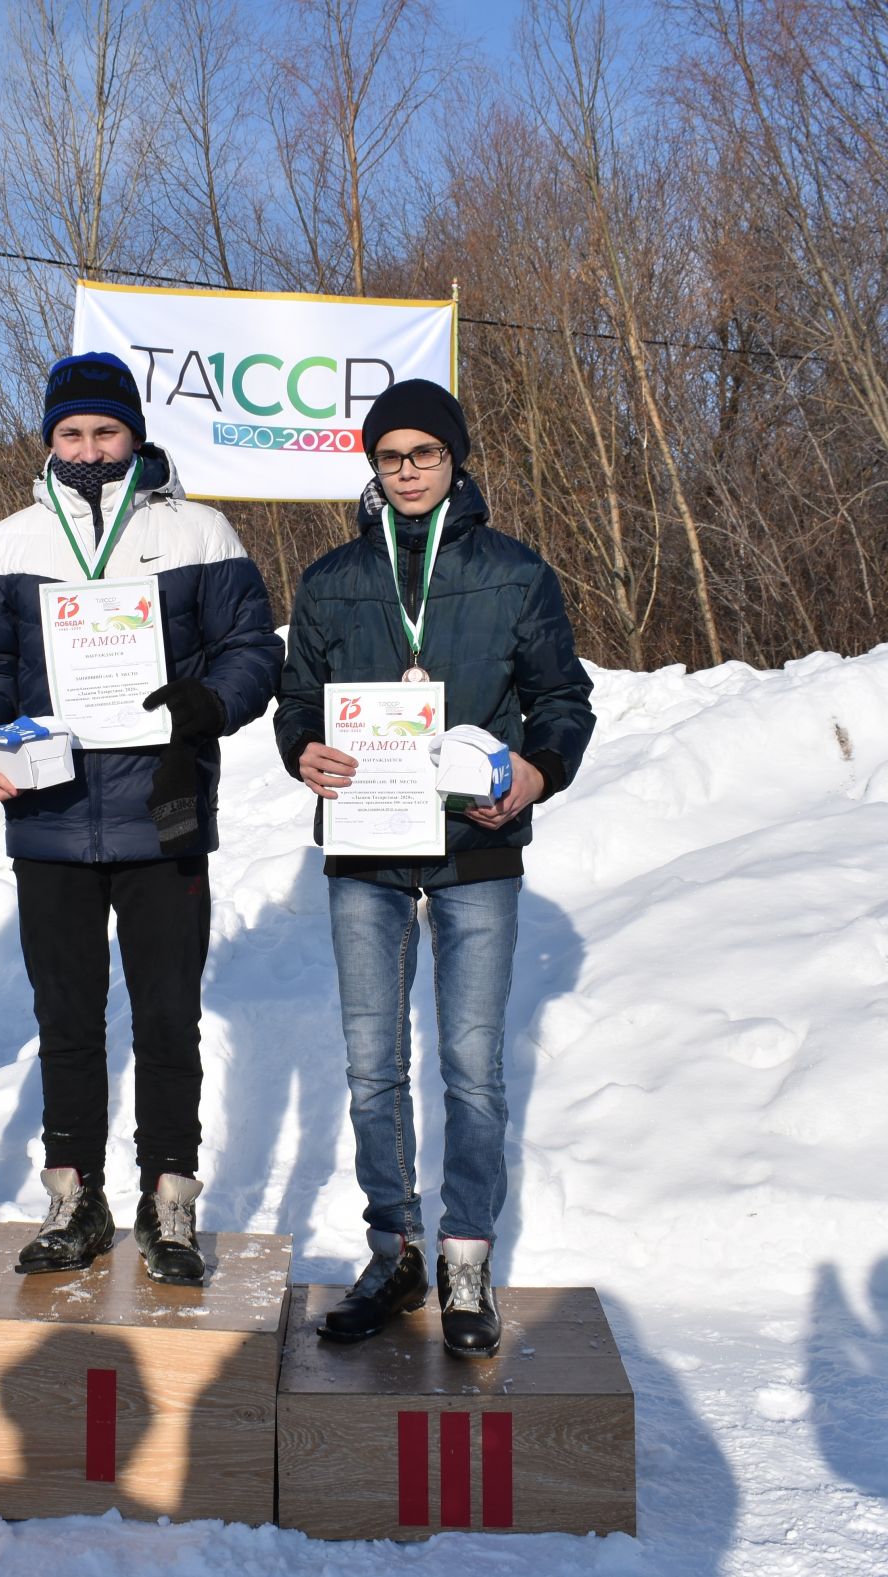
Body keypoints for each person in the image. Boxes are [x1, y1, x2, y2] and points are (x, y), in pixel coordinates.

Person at [0, 351, 283, 1286]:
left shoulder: (199, 531)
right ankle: (74, 1197)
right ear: (49, 440)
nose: (89, 448)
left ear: (135, 435)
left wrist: (208, 703)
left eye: (105, 431)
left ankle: (170, 1199)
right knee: (67, 1018)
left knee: (168, 1017)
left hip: (161, 810)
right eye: (71, 433)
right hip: (48, 814)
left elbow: (251, 647)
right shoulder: (9, 545)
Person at [273, 378, 595, 1358]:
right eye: (391, 455)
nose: (408, 470)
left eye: (425, 453)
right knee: (374, 1063)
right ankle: (395, 1245)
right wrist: (302, 751)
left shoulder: (515, 573)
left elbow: (563, 700)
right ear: (372, 465)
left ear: (456, 460)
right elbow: (298, 700)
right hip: (368, 846)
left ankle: (464, 1253)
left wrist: (540, 769)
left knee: (470, 1062)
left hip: (475, 845)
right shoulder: (331, 580)